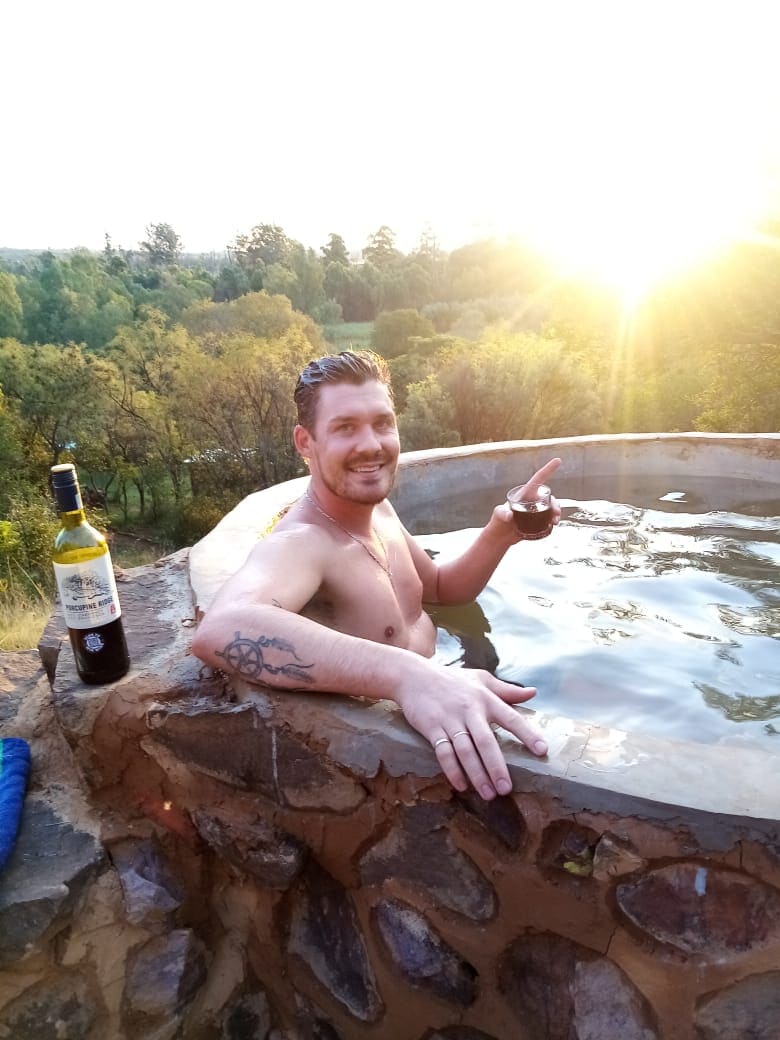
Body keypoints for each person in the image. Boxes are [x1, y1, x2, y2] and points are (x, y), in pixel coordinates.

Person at [192, 351, 561, 801]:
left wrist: (499, 534)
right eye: (345, 427)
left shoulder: (379, 511)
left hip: (450, 686)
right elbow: (221, 628)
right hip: (404, 743)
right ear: (305, 442)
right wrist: (408, 676)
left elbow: (440, 589)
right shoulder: (304, 543)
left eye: (383, 423)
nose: (371, 445)